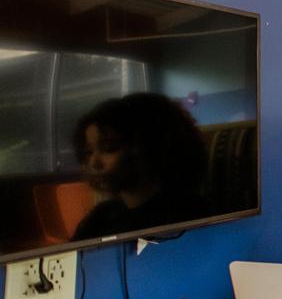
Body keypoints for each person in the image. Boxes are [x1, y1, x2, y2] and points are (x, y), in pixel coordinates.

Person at [71, 93, 209, 241]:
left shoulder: (192, 216)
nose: (94, 163)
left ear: (149, 148)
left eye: (109, 148)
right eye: (88, 152)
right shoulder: (99, 219)